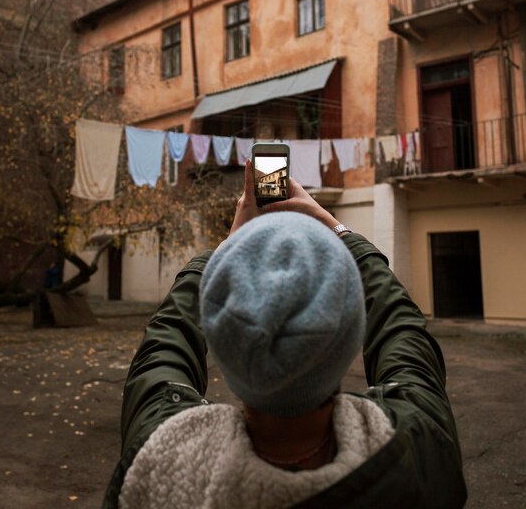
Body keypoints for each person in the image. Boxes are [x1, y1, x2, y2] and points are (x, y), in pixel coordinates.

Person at [102, 160, 467, 508]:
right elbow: (402, 330)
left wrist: (228, 250)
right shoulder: (419, 447)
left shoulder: (162, 458)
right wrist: (331, 224)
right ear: (352, 335)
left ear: (221, 341)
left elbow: (164, 345)